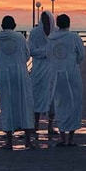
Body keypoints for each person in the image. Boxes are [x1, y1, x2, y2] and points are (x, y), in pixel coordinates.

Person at [0, 15, 36, 150]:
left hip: (4, 74)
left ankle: (9, 142)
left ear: (2, 26)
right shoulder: (20, 38)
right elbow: (27, 54)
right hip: (20, 74)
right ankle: (28, 140)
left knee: (7, 105)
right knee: (25, 104)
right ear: (15, 25)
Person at [47, 14, 85, 146]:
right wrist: (73, 63)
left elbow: (49, 55)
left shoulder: (51, 39)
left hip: (56, 74)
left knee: (59, 103)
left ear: (58, 24)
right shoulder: (74, 37)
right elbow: (81, 55)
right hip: (72, 74)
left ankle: (62, 137)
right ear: (69, 24)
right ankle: (71, 138)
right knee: (74, 103)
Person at [29, 10, 56, 138]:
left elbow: (58, 50)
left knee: (53, 98)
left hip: (52, 69)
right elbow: (31, 50)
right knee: (37, 96)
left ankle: (50, 126)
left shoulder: (55, 33)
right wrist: (46, 53)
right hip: (39, 69)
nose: (45, 22)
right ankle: (35, 125)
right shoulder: (35, 32)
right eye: (43, 19)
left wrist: (49, 53)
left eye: (47, 19)